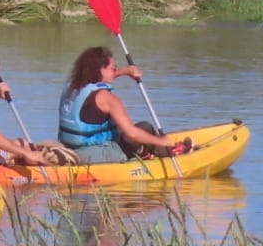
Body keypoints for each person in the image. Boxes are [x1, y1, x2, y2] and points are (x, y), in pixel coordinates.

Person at [58, 46, 189, 162]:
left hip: (70, 148)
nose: (114, 71)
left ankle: (145, 152)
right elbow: (132, 133)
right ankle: (168, 152)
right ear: (100, 70)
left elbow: (100, 78)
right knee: (144, 128)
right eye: (113, 69)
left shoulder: (72, 85)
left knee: (131, 129)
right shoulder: (108, 98)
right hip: (95, 154)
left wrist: (126, 71)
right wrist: (160, 141)